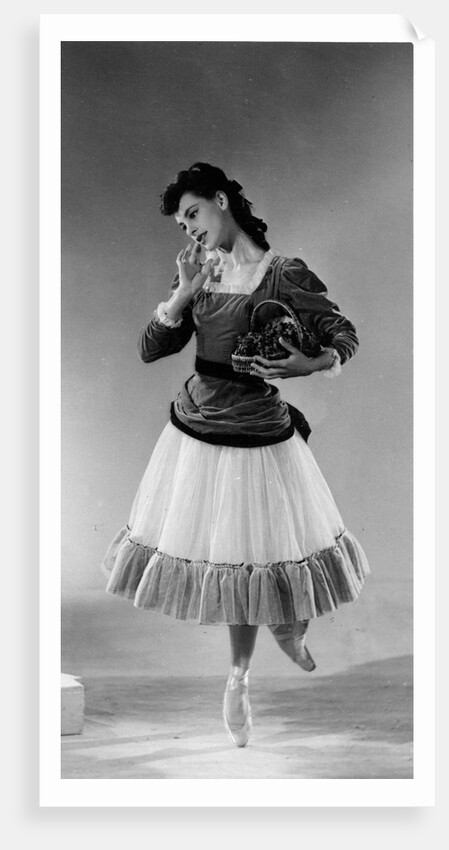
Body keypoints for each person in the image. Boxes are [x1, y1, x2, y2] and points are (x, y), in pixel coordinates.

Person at [101, 162, 370, 748]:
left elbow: (343, 333)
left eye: (193, 214)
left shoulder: (282, 274)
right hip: (199, 428)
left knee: (266, 554)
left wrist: (310, 363)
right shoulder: (202, 273)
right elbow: (150, 348)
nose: (189, 230)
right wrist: (184, 292)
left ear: (222, 201)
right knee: (234, 557)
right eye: (182, 224)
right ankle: (239, 679)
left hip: (259, 433)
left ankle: (284, 634)